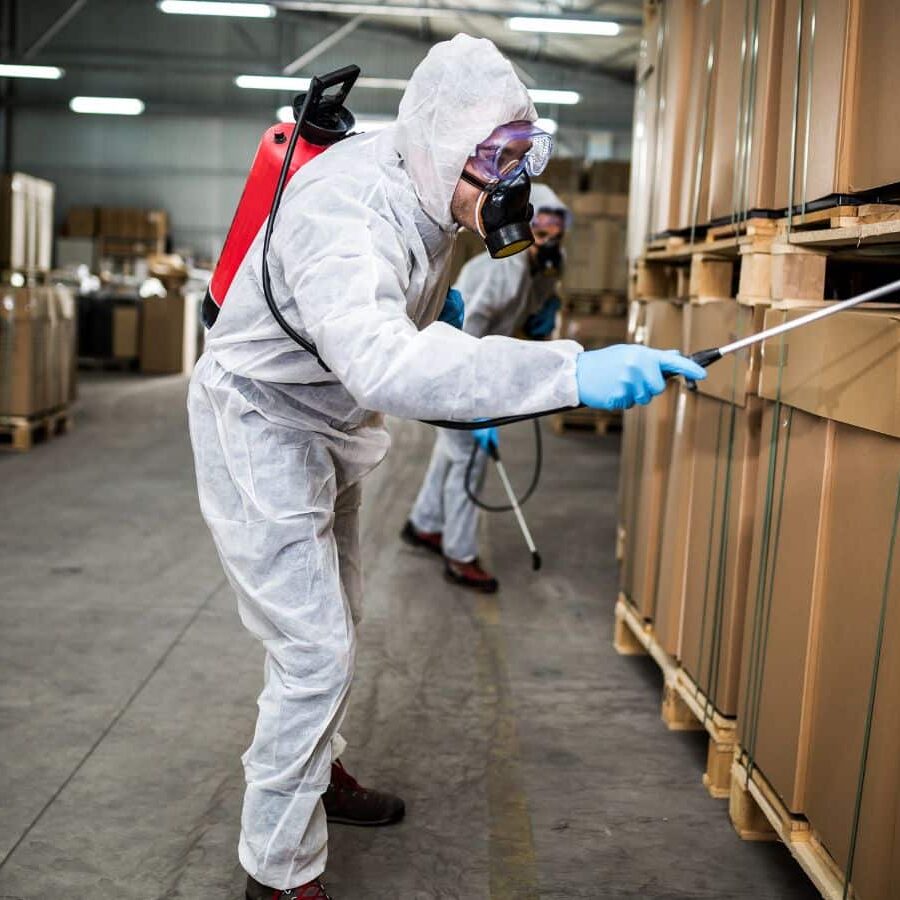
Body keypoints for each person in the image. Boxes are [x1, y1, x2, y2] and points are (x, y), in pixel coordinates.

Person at [188, 33, 706, 900]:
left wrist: (438, 302)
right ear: (440, 145)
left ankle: (316, 771)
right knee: (312, 651)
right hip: (260, 421)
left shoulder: (435, 186)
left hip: (327, 418)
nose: (511, 183)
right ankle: (277, 869)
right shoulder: (346, 215)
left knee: (338, 619)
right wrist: (570, 372)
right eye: (493, 159)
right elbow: (387, 364)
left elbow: (397, 316)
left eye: (519, 155)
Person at [402, 184, 572, 592]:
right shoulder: (500, 269)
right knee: (470, 459)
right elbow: (464, 330)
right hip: (455, 359)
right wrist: (474, 401)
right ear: (527, 225)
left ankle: (424, 524)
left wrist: (542, 313)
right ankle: (459, 556)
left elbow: (534, 307)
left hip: (481, 360)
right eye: (542, 231)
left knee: (452, 451)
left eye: (556, 232)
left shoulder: (549, 263)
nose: (549, 241)